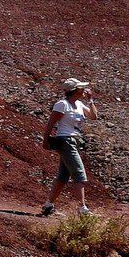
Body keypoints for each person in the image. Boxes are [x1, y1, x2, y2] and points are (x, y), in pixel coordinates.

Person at [41, 78, 99, 216]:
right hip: (66, 140)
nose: (84, 90)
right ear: (75, 90)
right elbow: (51, 123)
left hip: (74, 141)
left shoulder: (79, 104)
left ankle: (48, 206)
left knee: (63, 176)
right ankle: (82, 209)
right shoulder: (62, 105)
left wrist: (90, 100)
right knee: (79, 174)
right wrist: (46, 140)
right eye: (81, 88)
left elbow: (93, 116)